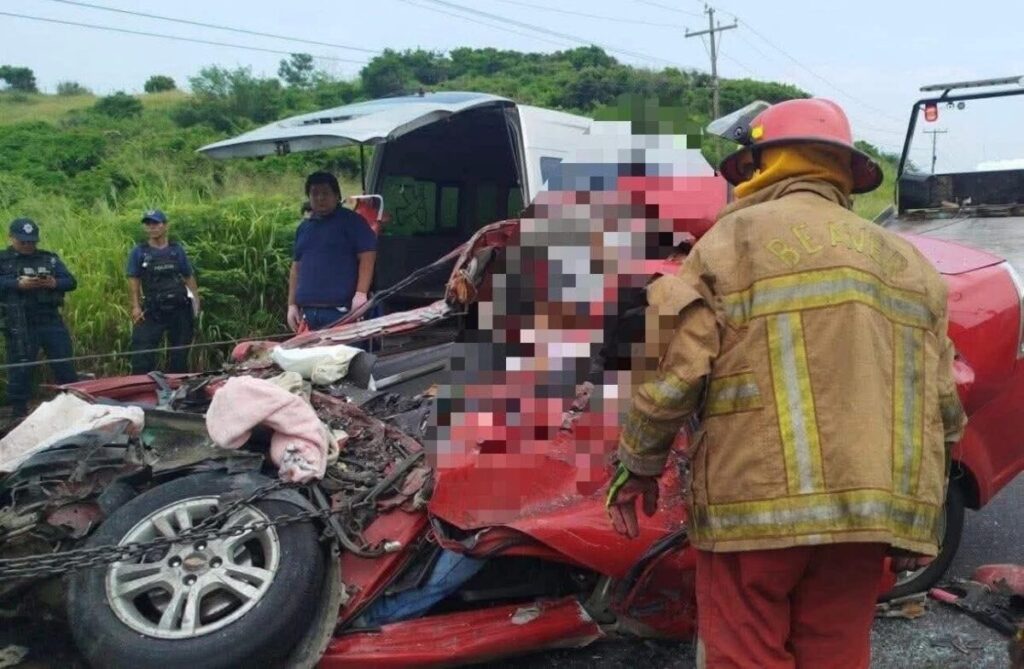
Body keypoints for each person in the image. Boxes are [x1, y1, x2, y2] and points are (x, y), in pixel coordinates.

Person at [605, 98, 967, 668]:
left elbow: (675, 371)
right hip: (865, 514)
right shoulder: (913, 266)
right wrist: (918, 520)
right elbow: (943, 407)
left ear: (763, 163)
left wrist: (637, 464)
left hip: (753, 510)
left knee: (745, 652)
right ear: (843, 171)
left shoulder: (730, 242)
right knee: (835, 649)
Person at [0, 218, 78, 417]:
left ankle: (71, 405)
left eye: (31, 242)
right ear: (11, 238)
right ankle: (18, 412)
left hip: (50, 319)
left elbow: (70, 281)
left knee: (64, 363)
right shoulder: (3, 259)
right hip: (19, 322)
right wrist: (17, 284)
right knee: (21, 368)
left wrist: (53, 283)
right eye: (23, 241)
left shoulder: (48, 259)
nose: (28, 246)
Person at [287, 171, 377, 332]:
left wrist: (361, 293)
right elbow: (296, 268)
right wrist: (292, 305)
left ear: (336, 195)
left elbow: (368, 255)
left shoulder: (352, 221)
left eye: (325, 193)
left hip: (341, 311)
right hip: (307, 313)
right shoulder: (304, 228)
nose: (320, 198)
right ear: (309, 197)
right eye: (315, 193)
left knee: (343, 356)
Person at [127, 209, 200, 374]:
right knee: (142, 354)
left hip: (179, 308)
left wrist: (196, 300)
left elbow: (188, 276)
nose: (152, 227)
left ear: (165, 226)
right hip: (153, 309)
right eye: (148, 224)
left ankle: (179, 390)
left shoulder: (176, 250)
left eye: (156, 223)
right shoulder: (139, 252)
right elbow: (134, 280)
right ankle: (142, 390)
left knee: (179, 355)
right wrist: (136, 306)